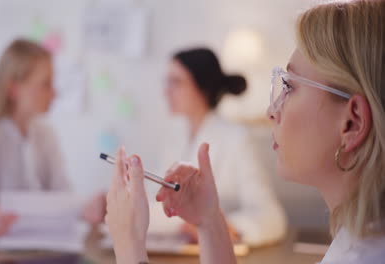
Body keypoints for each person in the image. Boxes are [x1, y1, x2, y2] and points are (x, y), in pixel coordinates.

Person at [105, 0, 385, 263]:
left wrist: (129, 244)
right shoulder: (359, 241)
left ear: (353, 122)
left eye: (289, 87)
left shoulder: (363, 255)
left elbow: (268, 218)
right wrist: (209, 219)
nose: (271, 111)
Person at [0, 39, 106, 252]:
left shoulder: (45, 135)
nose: (54, 93)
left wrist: (84, 208)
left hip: (41, 254)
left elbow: (61, 199)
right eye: (45, 84)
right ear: (13, 88)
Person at [148, 48, 286, 246]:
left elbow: (271, 217)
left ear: (202, 87)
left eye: (176, 82)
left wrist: (223, 226)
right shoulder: (174, 137)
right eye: (167, 82)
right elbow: (154, 199)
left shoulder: (236, 138)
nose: (166, 91)